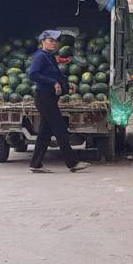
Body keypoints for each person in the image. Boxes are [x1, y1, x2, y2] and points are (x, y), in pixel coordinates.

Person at [26, 30, 90, 173]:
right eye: (50, 40)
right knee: (60, 129)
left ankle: (35, 164)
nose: (54, 43)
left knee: (44, 132)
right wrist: (52, 83)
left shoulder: (49, 57)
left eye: (55, 41)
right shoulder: (40, 56)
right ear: (43, 42)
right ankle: (72, 163)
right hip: (44, 98)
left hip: (49, 99)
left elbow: (57, 75)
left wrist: (67, 85)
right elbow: (33, 74)